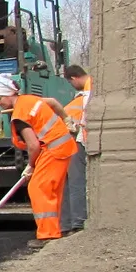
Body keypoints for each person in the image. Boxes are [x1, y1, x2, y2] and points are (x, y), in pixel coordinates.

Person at [0, 74, 75, 242]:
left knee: (38, 188)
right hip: (63, 146)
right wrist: (66, 119)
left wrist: (30, 165)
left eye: (0, 98)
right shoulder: (29, 100)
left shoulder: (20, 116)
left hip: (53, 149)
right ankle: (56, 230)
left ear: (9, 94)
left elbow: (33, 145)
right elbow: (52, 101)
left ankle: (48, 235)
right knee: (51, 190)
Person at [61, 65, 91, 234]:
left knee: (75, 182)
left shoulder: (88, 90)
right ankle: (72, 223)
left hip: (77, 140)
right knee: (74, 182)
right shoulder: (84, 93)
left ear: (73, 78)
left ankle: (77, 223)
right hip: (77, 139)